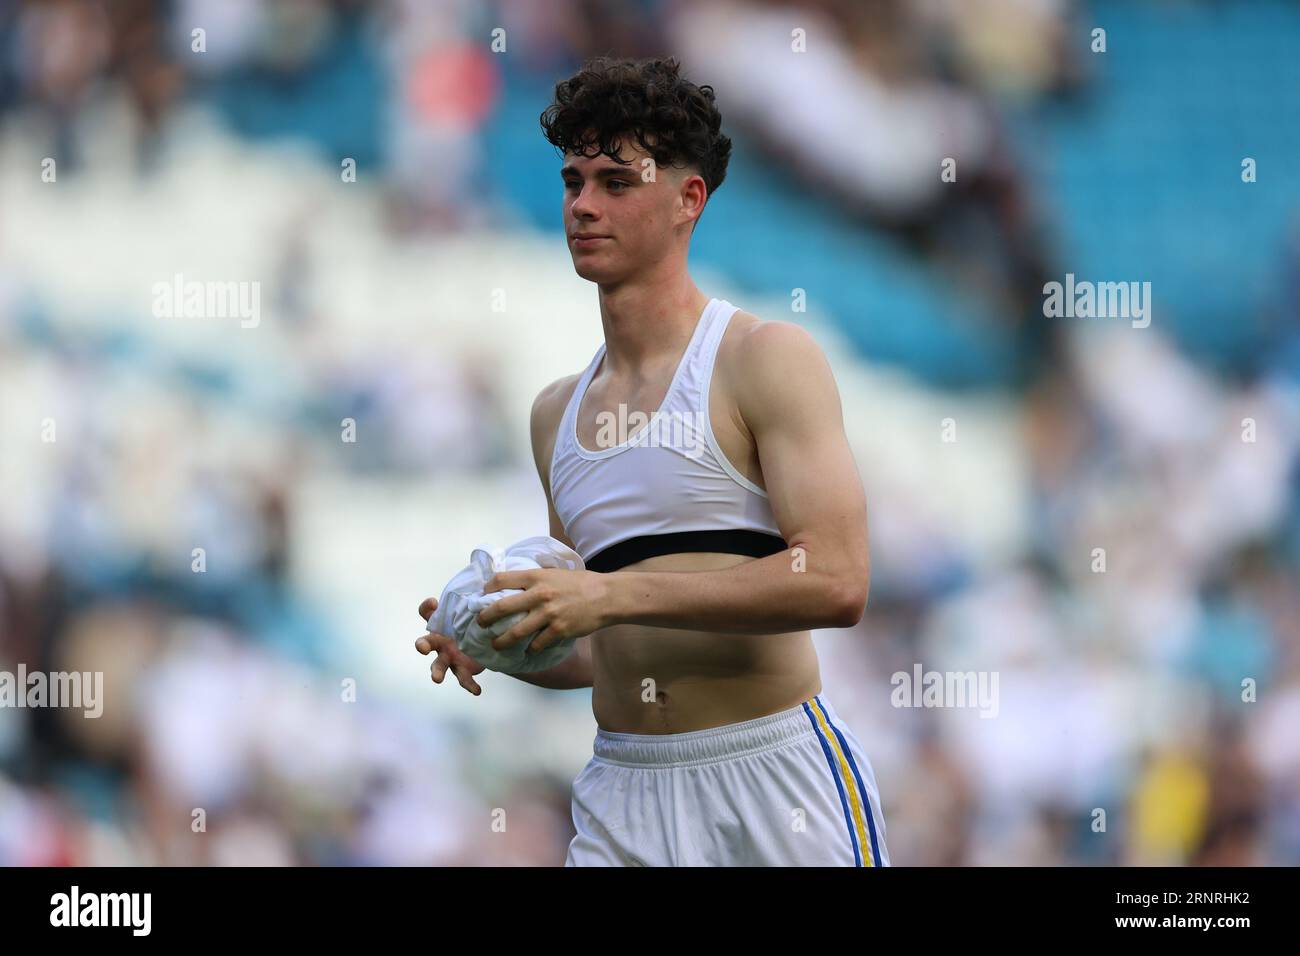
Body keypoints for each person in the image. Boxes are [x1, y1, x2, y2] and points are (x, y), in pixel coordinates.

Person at [415, 56, 888, 867]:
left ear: (687, 198)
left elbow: (837, 580)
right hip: (624, 791)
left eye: (615, 182)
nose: (583, 206)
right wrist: (506, 640)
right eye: (572, 182)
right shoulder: (553, 416)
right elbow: (606, 643)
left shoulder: (764, 358)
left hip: (773, 777)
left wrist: (608, 594)